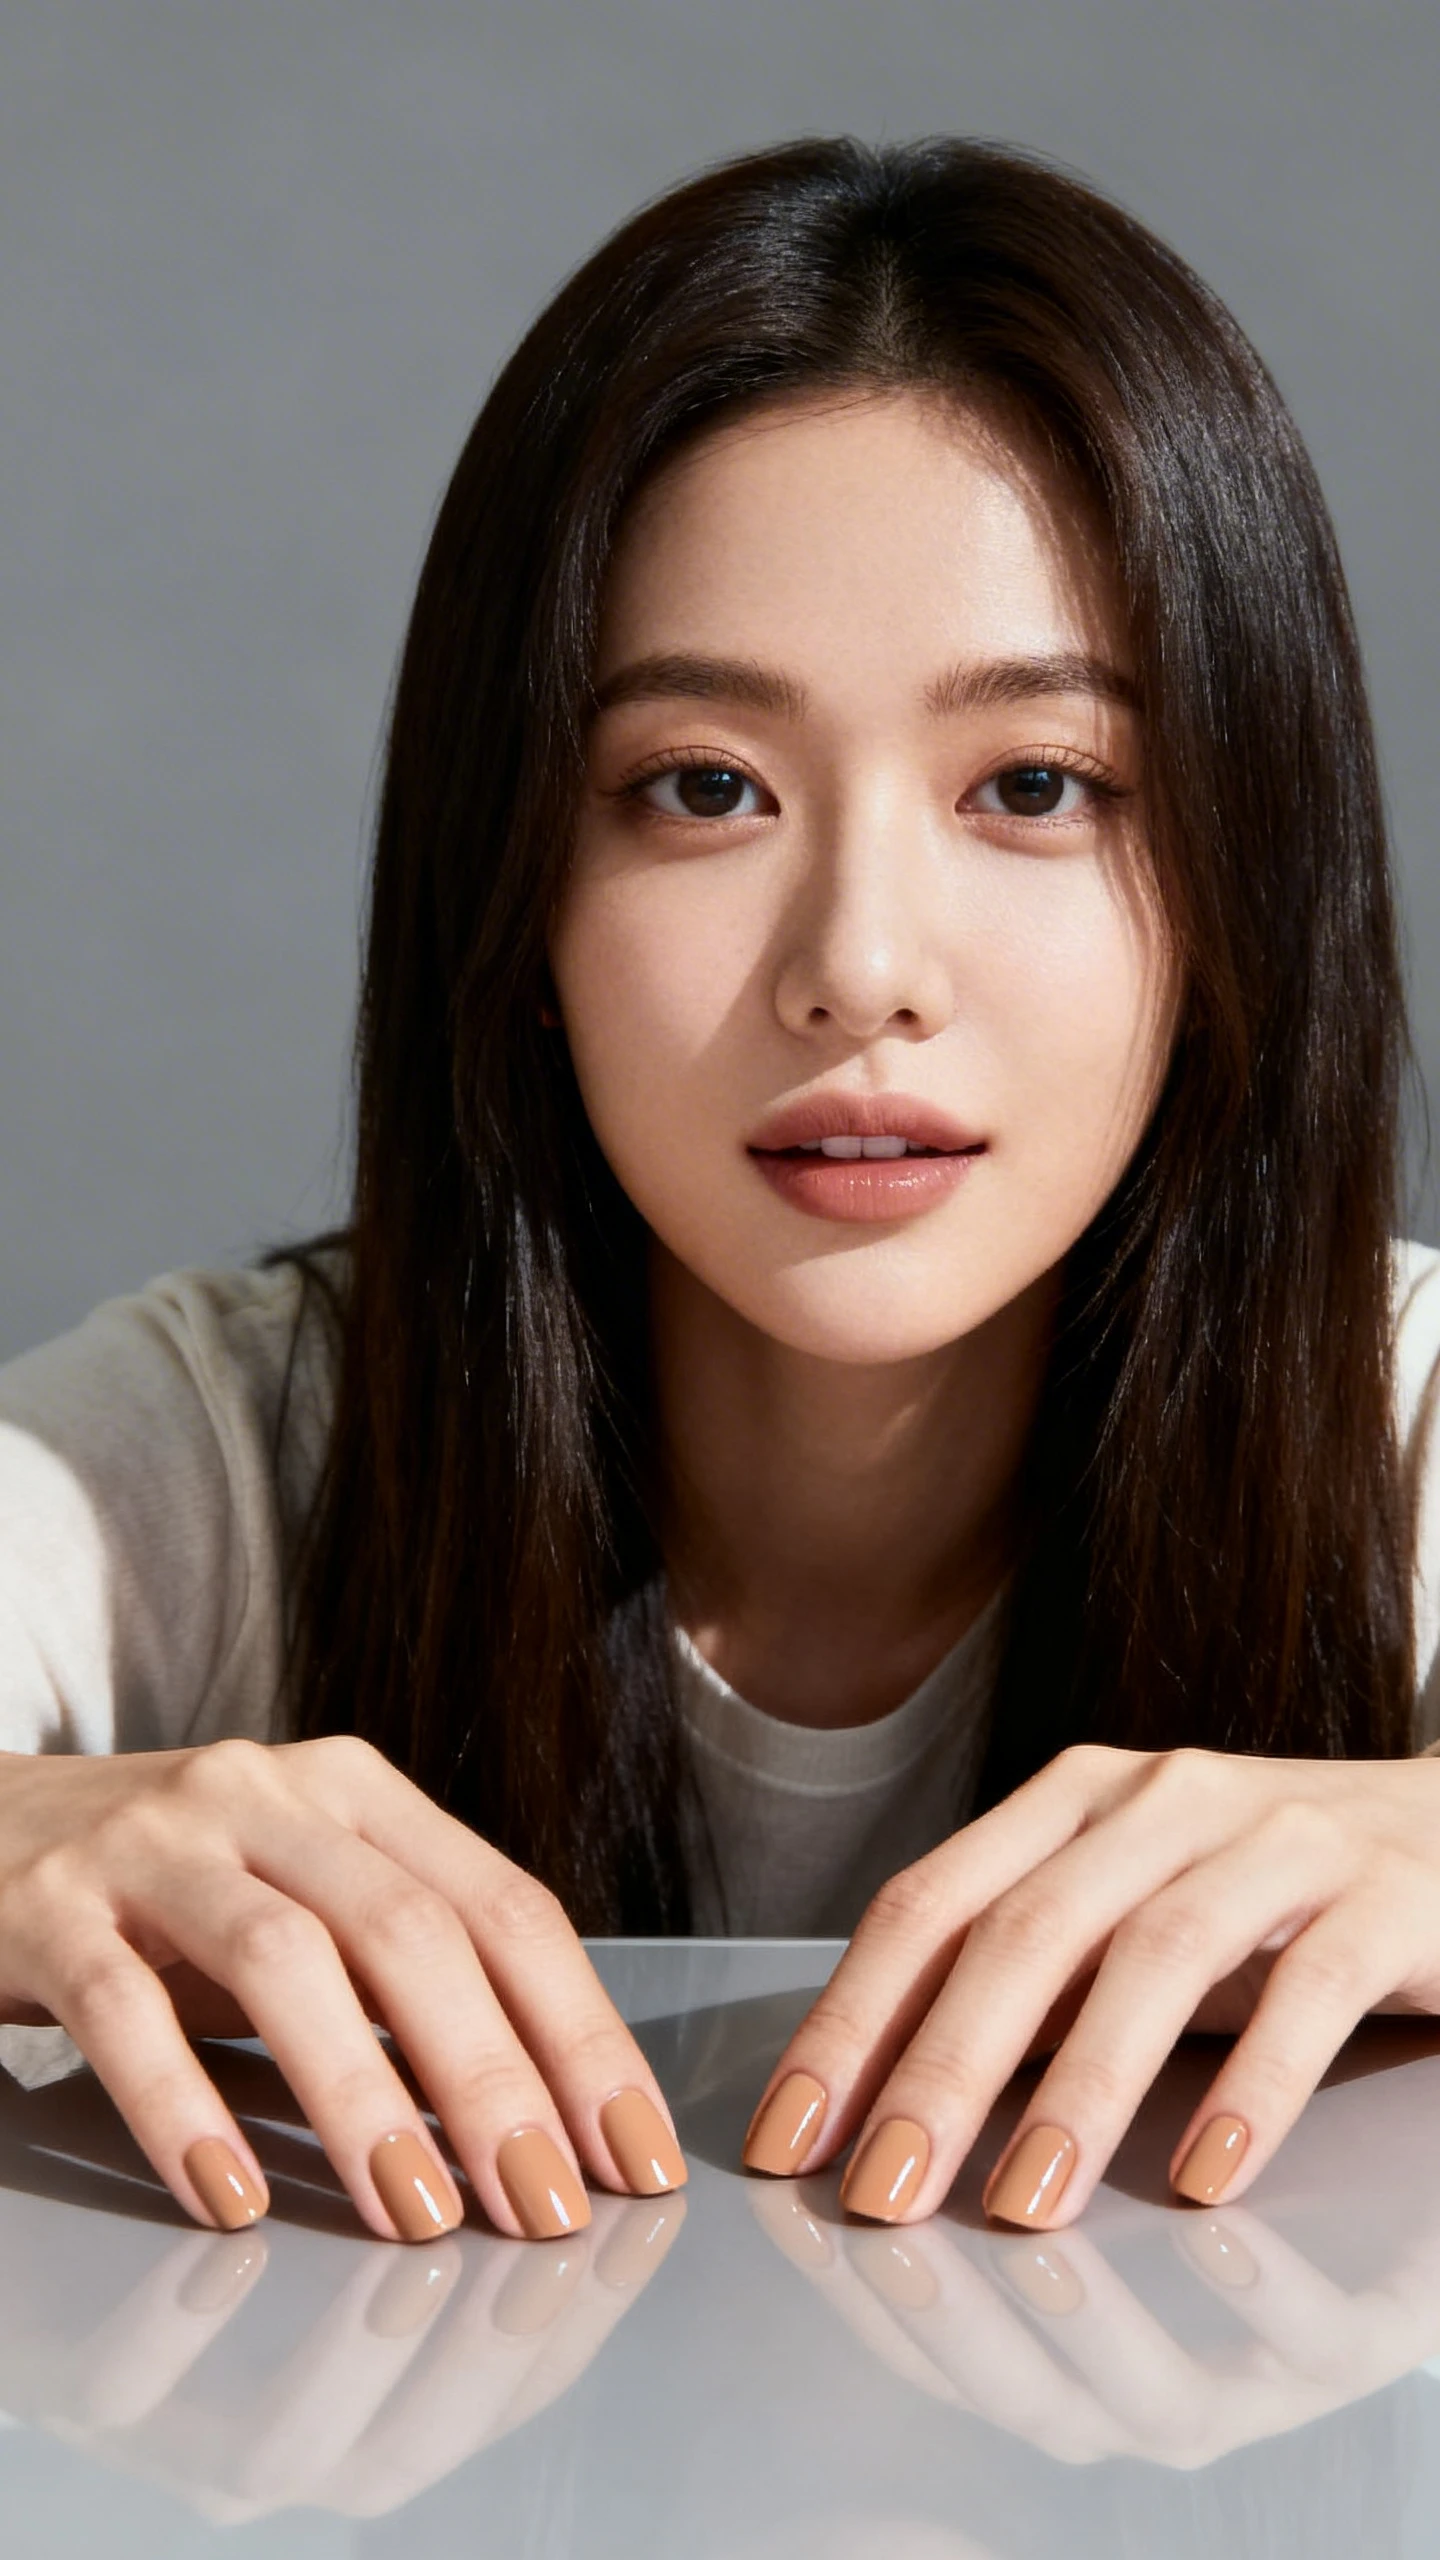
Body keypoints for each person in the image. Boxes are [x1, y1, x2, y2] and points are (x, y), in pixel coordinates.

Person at [3, 135, 1439, 2251]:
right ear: (519, 883)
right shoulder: (232, 1449)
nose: (859, 960)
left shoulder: (1393, 1423)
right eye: (704, 787)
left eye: (1034, 785)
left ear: (1243, 872)